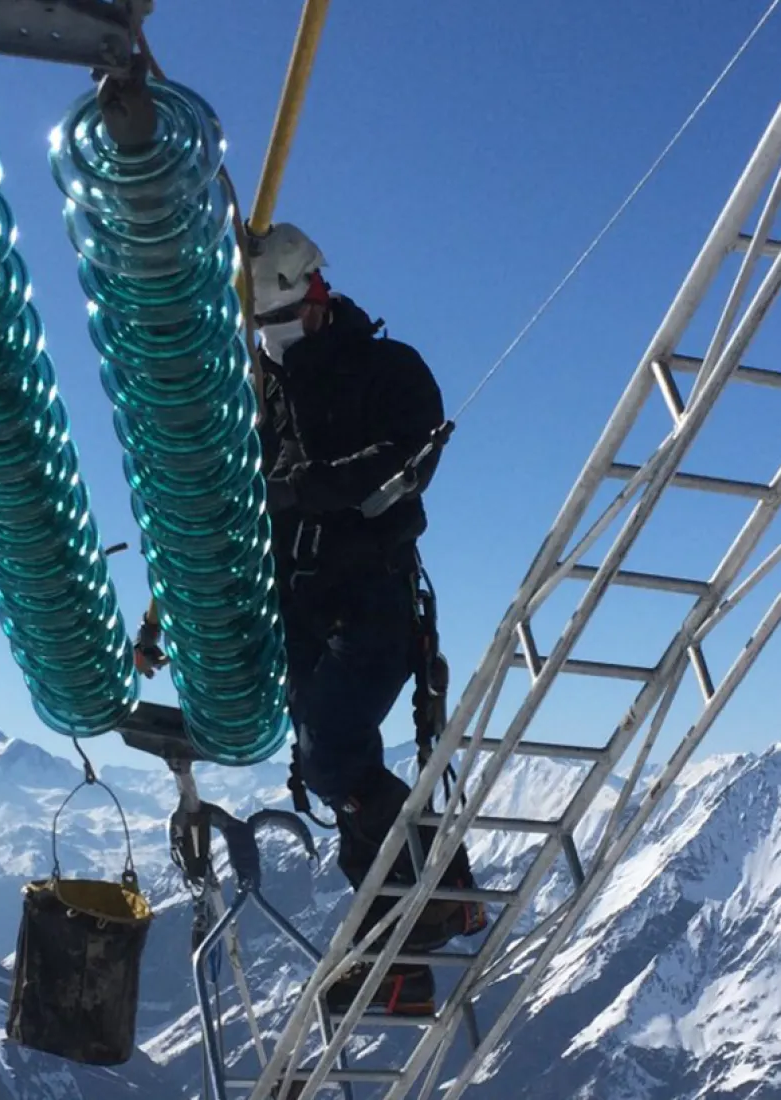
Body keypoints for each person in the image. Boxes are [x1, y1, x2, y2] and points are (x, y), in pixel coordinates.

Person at [242, 222, 486, 1016]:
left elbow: (405, 461)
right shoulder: (264, 392)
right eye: (263, 329)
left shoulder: (388, 371)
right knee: (338, 769)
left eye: (281, 322)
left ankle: (438, 897)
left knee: (332, 754)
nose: (275, 340)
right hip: (300, 602)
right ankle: (404, 949)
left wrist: (300, 489)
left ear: (317, 296)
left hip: (372, 595)